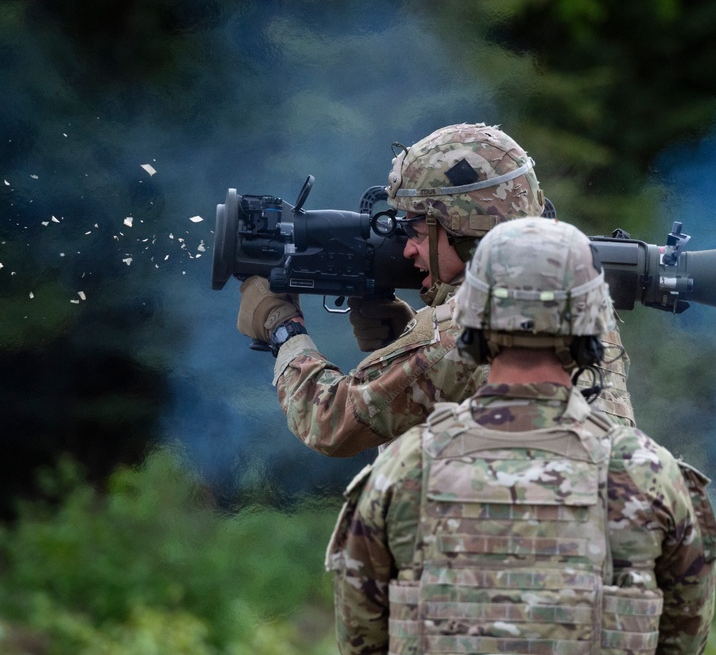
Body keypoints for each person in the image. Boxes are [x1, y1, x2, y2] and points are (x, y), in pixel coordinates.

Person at [325, 217, 716, 655]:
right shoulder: (648, 475)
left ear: (472, 316)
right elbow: (683, 644)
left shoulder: (405, 468)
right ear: (591, 320)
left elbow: (362, 644)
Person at [237, 123, 635, 458]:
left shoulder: (462, 326)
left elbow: (329, 422)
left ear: (462, 228)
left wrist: (282, 328)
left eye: (415, 228)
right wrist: (407, 335)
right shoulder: (578, 296)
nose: (408, 248)